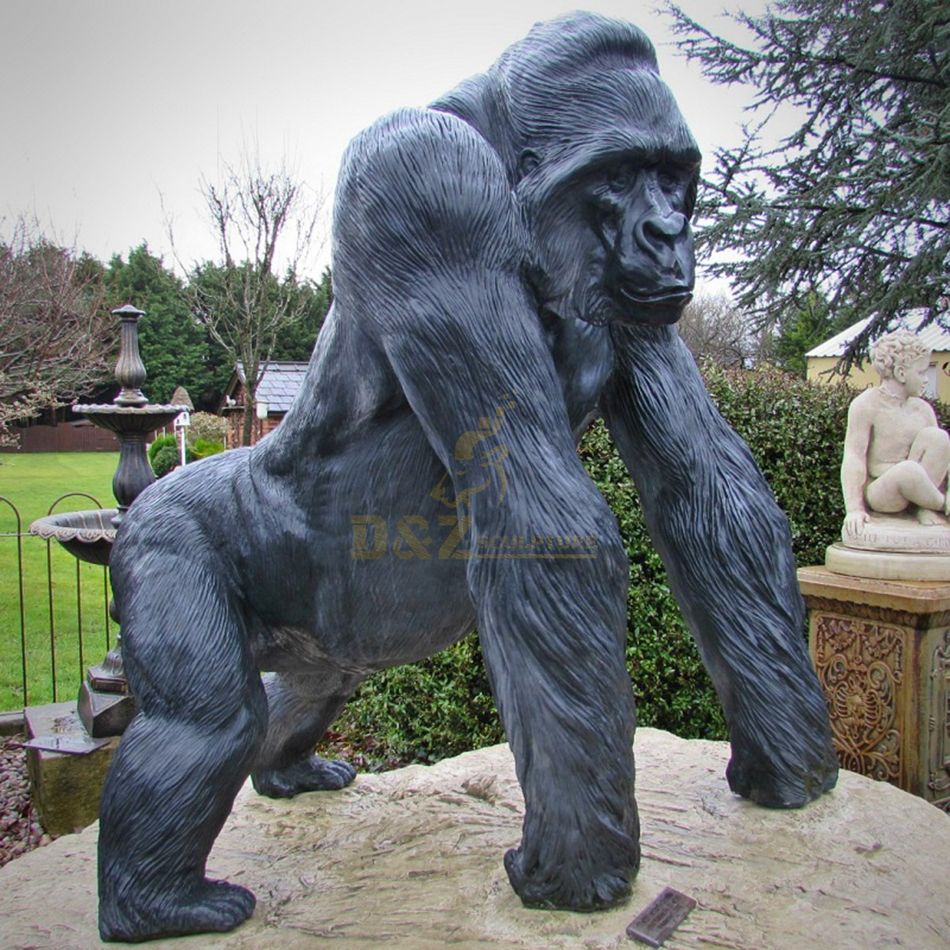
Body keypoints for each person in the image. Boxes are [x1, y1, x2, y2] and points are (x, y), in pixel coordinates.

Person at [841, 329, 950, 535]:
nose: (926, 379)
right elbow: (854, 457)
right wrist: (854, 509)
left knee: (938, 437)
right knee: (907, 470)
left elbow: (945, 459)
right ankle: (940, 504)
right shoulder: (866, 405)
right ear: (901, 373)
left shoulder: (922, 409)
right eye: (921, 372)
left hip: (919, 486)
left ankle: (924, 507)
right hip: (884, 492)